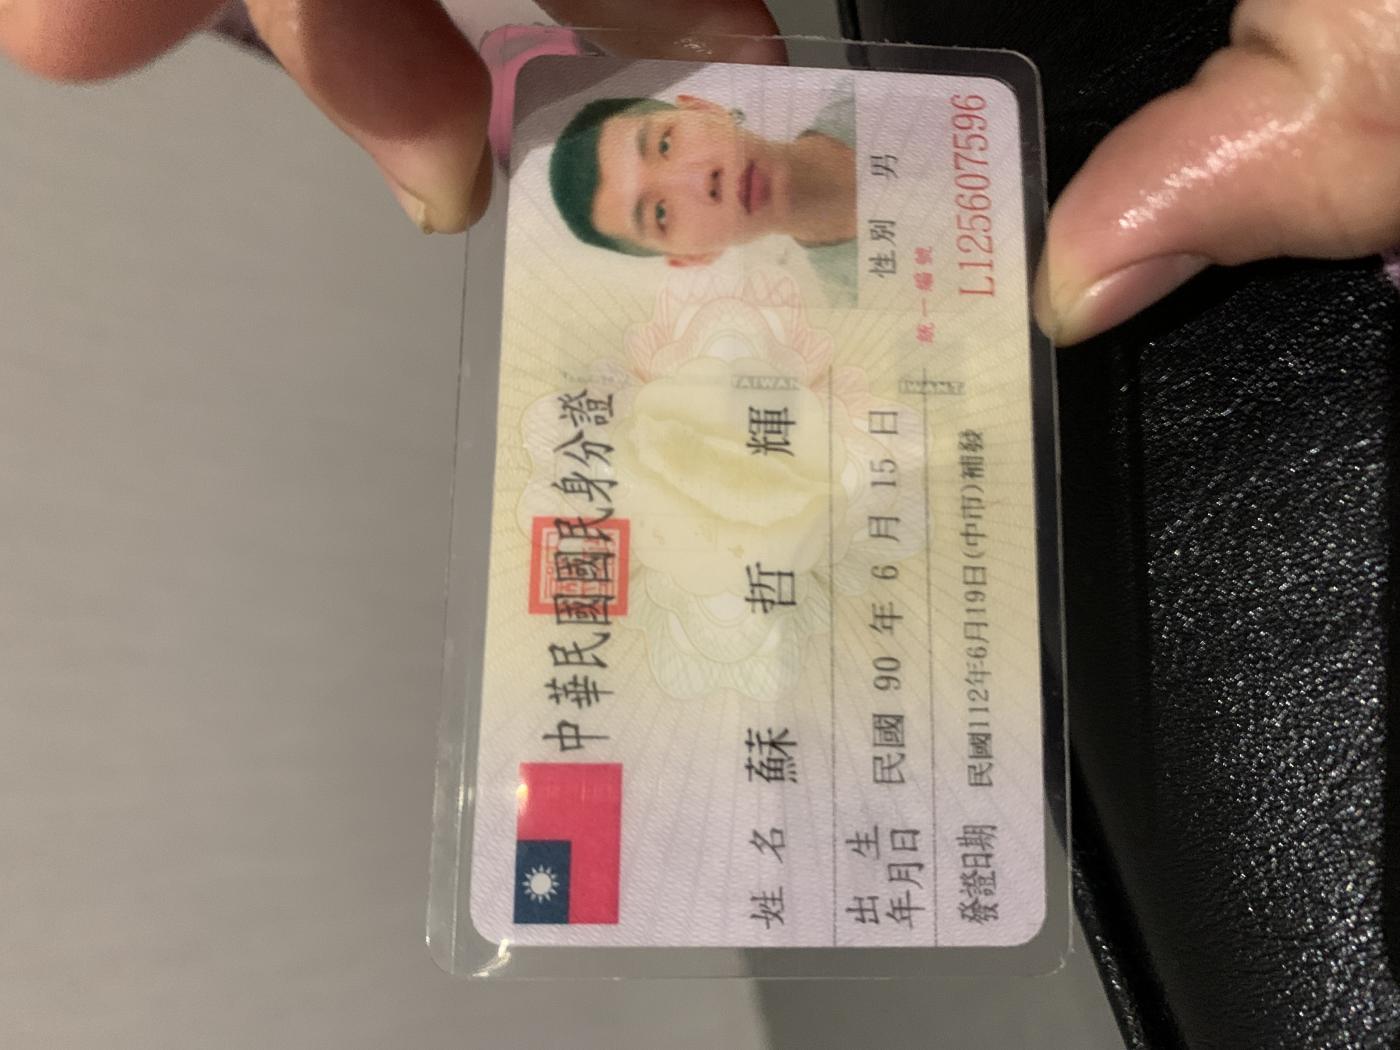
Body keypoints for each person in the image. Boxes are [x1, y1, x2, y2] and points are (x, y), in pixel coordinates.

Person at [2, 0, 1396, 343]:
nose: (687, 180)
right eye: (656, 208)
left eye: (662, 148)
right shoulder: (866, 345)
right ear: (681, 256)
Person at [547, 86, 856, 302]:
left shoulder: (864, 82)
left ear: (703, 108)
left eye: (665, 144)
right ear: (693, 257)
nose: (700, 181)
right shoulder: (858, 299)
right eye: (660, 213)